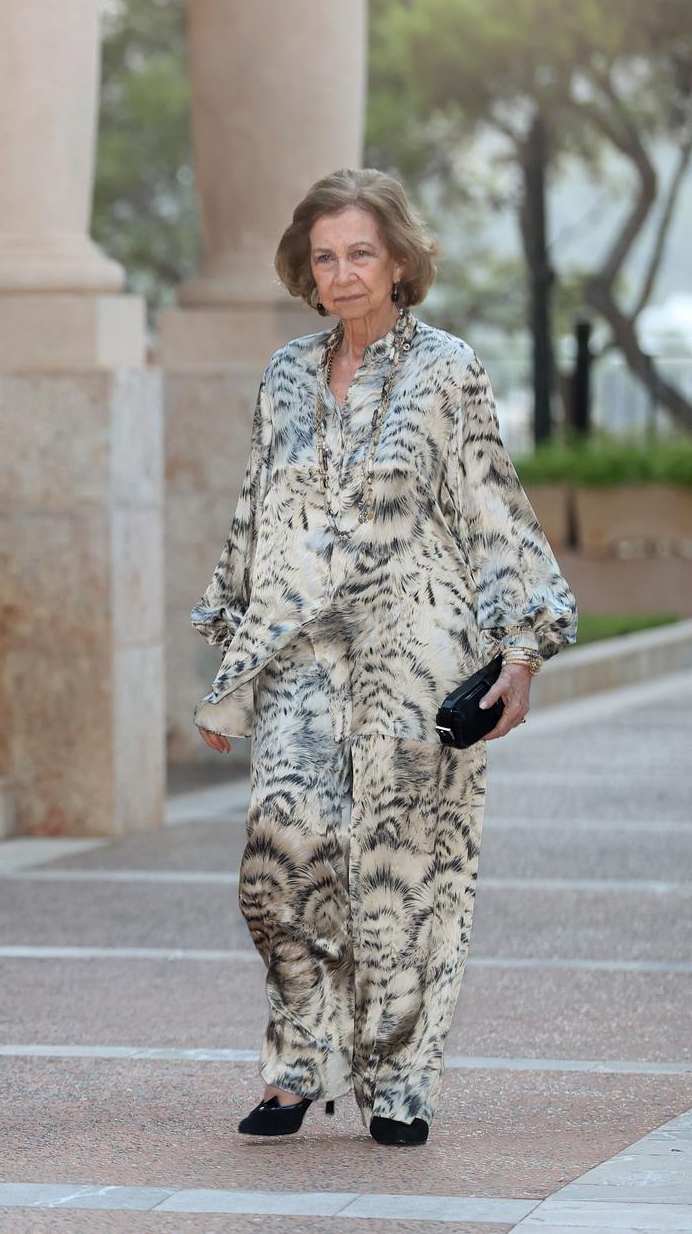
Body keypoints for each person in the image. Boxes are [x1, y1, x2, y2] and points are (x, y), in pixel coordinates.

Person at [192, 168, 575, 1147]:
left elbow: (490, 511)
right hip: (297, 652)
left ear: (398, 260)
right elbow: (256, 517)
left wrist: (519, 651)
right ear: (304, 270)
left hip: (415, 638)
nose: (342, 271)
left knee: (398, 874)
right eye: (323, 256)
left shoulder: (444, 369)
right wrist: (231, 661)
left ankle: (397, 1078)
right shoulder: (284, 373)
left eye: (360, 251)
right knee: (273, 869)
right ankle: (301, 1057)